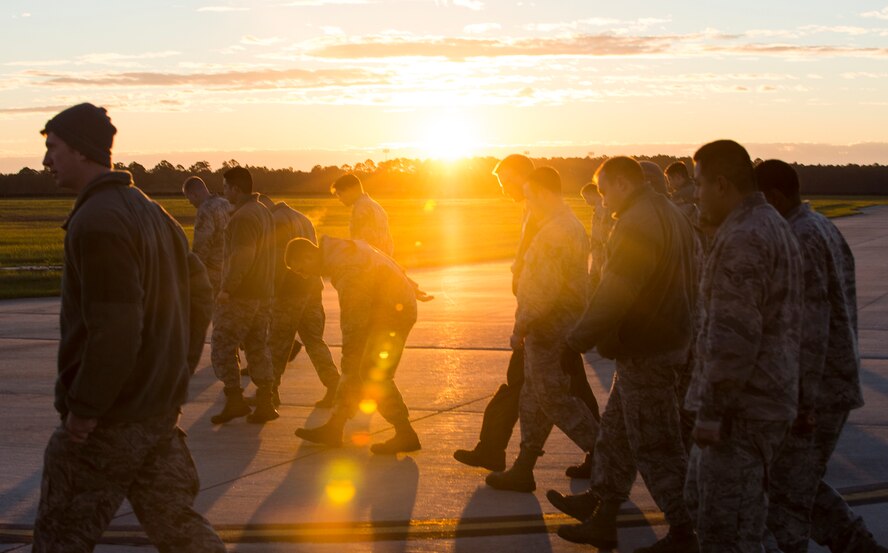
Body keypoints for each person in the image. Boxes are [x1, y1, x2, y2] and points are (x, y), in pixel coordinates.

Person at [33, 103, 225, 552]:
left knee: (60, 535)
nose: (46, 161)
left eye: (53, 148)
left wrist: (84, 409)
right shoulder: (157, 215)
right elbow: (199, 297)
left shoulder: (98, 220)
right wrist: (174, 377)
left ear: (81, 151)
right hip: (156, 413)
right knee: (179, 529)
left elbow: (116, 327)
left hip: (110, 419)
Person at [549, 156, 700, 552]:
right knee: (616, 433)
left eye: (603, 190)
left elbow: (616, 290)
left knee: (656, 447)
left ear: (621, 184)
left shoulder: (637, 222)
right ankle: (603, 509)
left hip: (650, 348)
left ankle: (686, 531)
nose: (602, 200)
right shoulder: (670, 213)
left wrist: (575, 340)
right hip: (660, 343)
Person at [757, 160, 885, 553]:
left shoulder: (800, 238)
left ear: (774, 198)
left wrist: (802, 402)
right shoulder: (818, 226)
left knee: (786, 492)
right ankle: (857, 544)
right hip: (830, 381)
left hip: (817, 390)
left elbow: (810, 330)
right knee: (797, 480)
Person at [683, 140, 803, 552]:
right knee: (737, 516)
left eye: (697, 185)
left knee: (726, 531)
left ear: (720, 184)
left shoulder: (744, 238)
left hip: (741, 411)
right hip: (761, 402)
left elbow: (733, 337)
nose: (693, 195)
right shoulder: (769, 224)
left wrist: (712, 411)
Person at [453, 155, 599, 477]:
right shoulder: (540, 211)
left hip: (549, 321)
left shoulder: (548, 219)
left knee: (555, 393)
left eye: (506, 181)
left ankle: (601, 453)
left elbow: (543, 279)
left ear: (526, 181)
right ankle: (518, 463)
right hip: (547, 319)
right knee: (536, 391)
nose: (504, 188)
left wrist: (524, 321)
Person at [288, 236, 425, 454]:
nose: (304, 274)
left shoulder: (346, 268)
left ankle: (405, 434)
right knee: (355, 370)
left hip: (393, 313)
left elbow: (354, 319)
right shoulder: (340, 251)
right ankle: (335, 427)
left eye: (301, 268)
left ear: (307, 255)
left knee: (370, 372)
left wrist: (349, 353)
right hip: (385, 307)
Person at [209, 166, 278, 424]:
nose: (224, 191)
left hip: (242, 295)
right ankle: (265, 402)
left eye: (226, 187)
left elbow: (242, 257)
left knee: (222, 346)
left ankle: (235, 399)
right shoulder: (263, 212)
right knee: (257, 347)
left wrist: (227, 289)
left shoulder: (243, 218)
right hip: (264, 293)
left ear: (236, 189)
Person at [257, 194, 340, 408]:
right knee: (314, 341)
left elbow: (277, 259)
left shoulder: (275, 221)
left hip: (289, 291)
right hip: (313, 287)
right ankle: (334, 386)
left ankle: (270, 392)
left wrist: (269, 290)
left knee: (277, 343)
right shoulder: (303, 218)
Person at [182, 175, 231, 295]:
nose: (190, 202)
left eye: (189, 197)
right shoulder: (226, 203)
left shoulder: (205, 210)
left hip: (212, 271)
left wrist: (193, 272)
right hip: (229, 269)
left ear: (195, 194)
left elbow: (202, 244)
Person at [331, 173, 394, 256]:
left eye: (340, 194)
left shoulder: (361, 208)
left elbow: (361, 244)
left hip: (371, 262)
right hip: (384, 259)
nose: (339, 199)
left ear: (349, 190)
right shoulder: (375, 205)